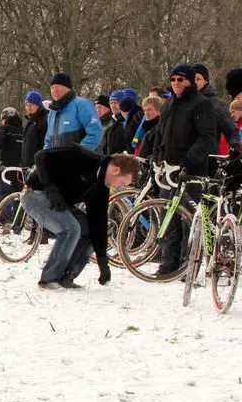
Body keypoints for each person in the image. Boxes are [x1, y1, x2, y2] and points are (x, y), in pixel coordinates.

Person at [23, 148, 140, 289]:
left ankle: (66, 277)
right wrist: (50, 188)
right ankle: (49, 280)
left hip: (61, 204)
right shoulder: (82, 156)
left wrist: (103, 263)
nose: (120, 187)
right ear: (116, 171)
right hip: (35, 194)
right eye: (122, 183)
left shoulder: (101, 189)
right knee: (71, 229)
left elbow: (99, 223)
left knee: (91, 231)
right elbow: (40, 156)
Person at [152, 64, 218, 276]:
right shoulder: (168, 104)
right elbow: (159, 136)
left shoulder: (201, 104)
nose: (176, 83)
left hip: (191, 170)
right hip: (168, 170)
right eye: (173, 80)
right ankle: (167, 263)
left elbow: (207, 138)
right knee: (167, 217)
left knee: (189, 218)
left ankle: (188, 264)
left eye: (181, 80)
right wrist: (156, 160)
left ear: (190, 81)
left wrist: (188, 162)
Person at [45, 72, 102, 150]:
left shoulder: (82, 104)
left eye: (57, 87)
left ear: (67, 88)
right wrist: (46, 157)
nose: (54, 90)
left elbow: (95, 132)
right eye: (52, 88)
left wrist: (79, 154)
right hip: (57, 160)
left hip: (82, 160)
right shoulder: (52, 111)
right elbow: (48, 140)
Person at [193, 63, 240, 157]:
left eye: (197, 79)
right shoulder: (181, 102)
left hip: (207, 160)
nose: (194, 82)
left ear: (205, 81)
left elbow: (231, 131)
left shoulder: (216, 104)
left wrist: (236, 151)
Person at [0, 107, 24, 203]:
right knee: (19, 198)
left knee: (4, 196)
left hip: (6, 168)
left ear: (5, 118)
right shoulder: (23, 130)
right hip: (20, 170)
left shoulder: (4, 129)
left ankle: (4, 218)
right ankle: (17, 218)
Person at [22, 91, 48, 170]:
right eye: (27, 105)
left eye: (32, 105)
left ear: (38, 106)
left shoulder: (43, 121)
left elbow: (45, 145)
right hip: (26, 167)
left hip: (37, 167)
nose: (29, 107)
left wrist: (39, 165)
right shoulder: (30, 121)